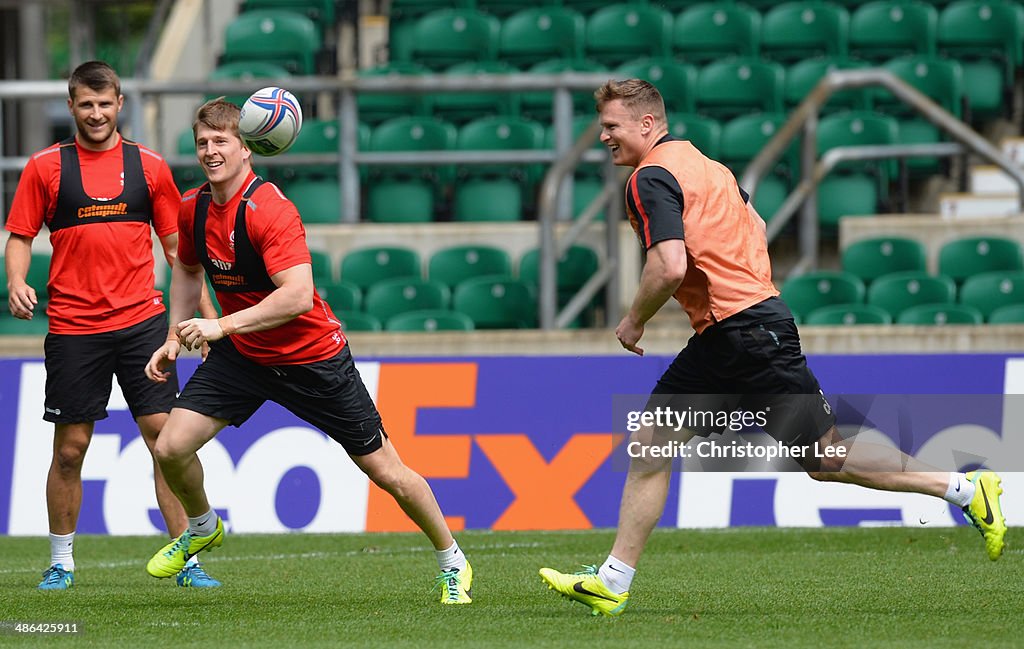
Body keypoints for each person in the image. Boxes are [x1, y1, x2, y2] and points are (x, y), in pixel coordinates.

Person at [538, 79, 1007, 617]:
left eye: (611, 126)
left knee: (826, 457)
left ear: (647, 124)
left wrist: (632, 320)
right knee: (651, 442)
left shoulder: (650, 178)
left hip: (743, 333)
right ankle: (613, 581)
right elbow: (755, 225)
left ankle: (965, 490)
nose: (603, 137)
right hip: (735, 330)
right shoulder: (708, 167)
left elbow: (668, 265)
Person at [141, 97, 473, 604]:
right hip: (245, 356)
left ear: (246, 147)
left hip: (313, 359)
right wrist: (173, 337)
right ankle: (203, 526)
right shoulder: (194, 207)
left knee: (387, 472)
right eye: (202, 142)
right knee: (169, 446)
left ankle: (452, 560)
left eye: (221, 141)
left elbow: (296, 296)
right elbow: (186, 269)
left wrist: (220, 326)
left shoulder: (270, 209)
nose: (210, 151)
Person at [5, 60, 221, 590]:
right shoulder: (46, 167)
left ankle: (187, 561)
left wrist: (209, 314)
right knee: (71, 448)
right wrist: (15, 279)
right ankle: (61, 562)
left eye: (105, 104)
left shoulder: (148, 166)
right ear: (71, 105)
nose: (96, 113)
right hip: (75, 327)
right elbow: (18, 233)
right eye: (86, 104)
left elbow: (178, 249)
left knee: (164, 441)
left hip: (142, 324)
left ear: (120, 104)